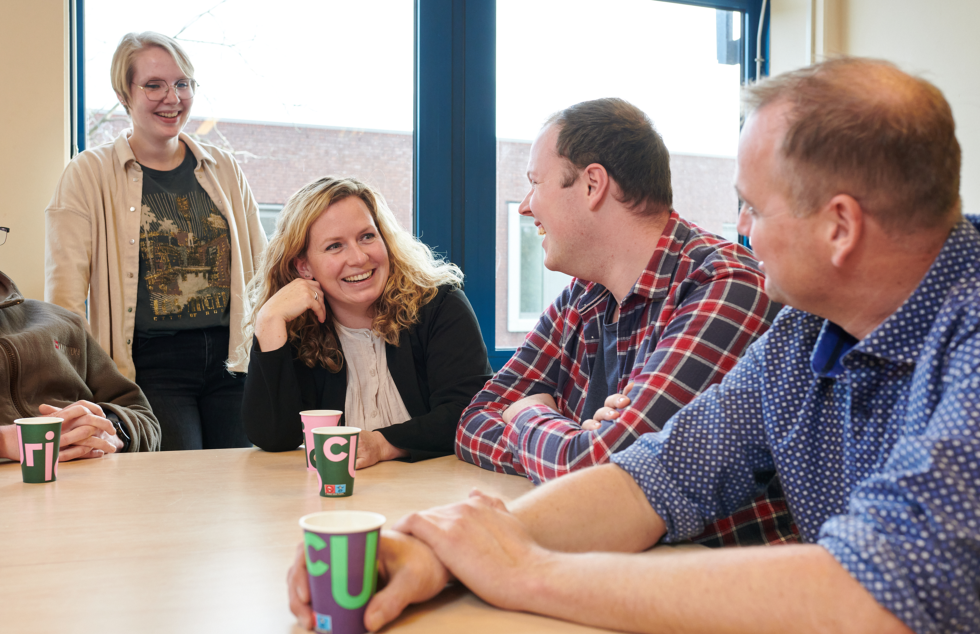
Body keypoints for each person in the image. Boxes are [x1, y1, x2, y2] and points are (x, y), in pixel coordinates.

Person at [288, 58, 980, 634]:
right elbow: (654, 477)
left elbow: (879, 593)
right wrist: (439, 549)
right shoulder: (804, 332)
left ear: (839, 228)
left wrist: (530, 571)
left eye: (755, 209)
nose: (742, 231)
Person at [456, 98, 791, 546]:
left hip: (710, 582)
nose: (526, 206)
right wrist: (570, 441)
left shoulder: (726, 286)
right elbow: (473, 421)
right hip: (605, 563)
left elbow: (608, 477)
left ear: (593, 184)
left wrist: (530, 415)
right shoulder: (583, 293)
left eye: (536, 183)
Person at [44, 32, 267, 451]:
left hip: (233, 362)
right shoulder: (87, 174)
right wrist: (75, 387)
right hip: (149, 368)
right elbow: (65, 301)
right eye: (154, 85)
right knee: (174, 495)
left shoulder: (224, 169)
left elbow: (262, 267)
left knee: (239, 493)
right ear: (123, 93)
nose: (172, 97)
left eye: (182, 84)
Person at [239, 176, 492, 467]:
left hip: (435, 492)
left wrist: (385, 444)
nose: (359, 257)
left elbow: (470, 413)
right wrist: (269, 321)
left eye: (367, 237)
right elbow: (273, 437)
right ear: (304, 266)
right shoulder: (299, 327)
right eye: (335, 246)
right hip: (340, 502)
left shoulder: (441, 306)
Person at [0, 263, 160, 461]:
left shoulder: (60, 321)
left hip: (102, 483)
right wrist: (5, 441)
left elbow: (144, 419)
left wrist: (112, 432)